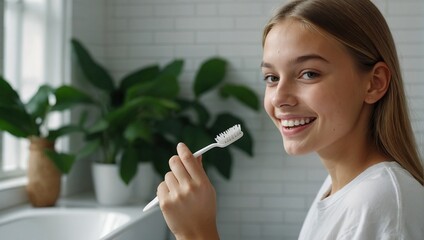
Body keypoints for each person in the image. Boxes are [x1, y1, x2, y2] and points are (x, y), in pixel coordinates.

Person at [155, 0, 424, 239]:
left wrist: (197, 233)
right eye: (272, 78)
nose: (279, 98)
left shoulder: (381, 204)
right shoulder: (339, 188)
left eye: (308, 73)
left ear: (374, 83)